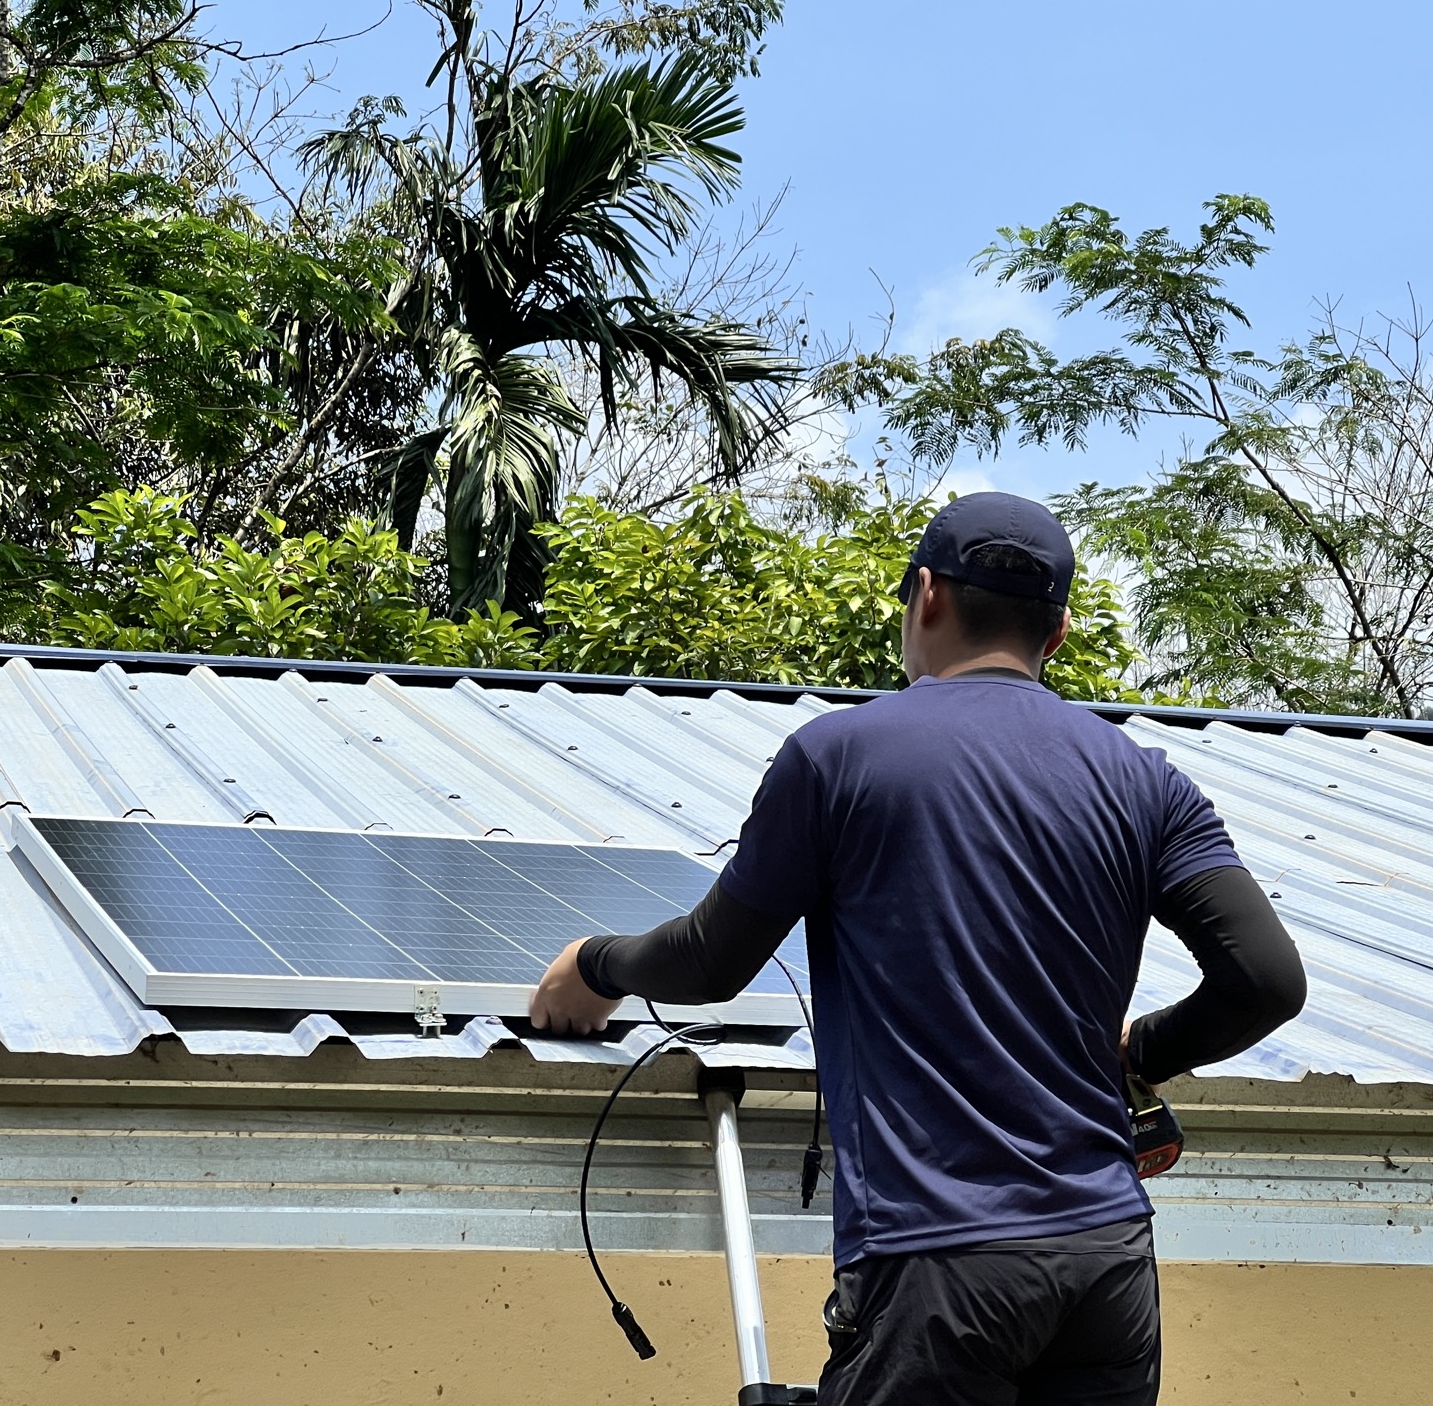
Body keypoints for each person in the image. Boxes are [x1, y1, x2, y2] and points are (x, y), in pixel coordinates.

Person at [531, 492, 1307, 1406]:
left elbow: (710, 959)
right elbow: (1265, 980)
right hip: (1106, 1262)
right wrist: (1139, 1054)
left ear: (926, 594)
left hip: (938, 1263)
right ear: (1055, 632)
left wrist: (593, 964)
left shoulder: (838, 756)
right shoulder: (1146, 780)